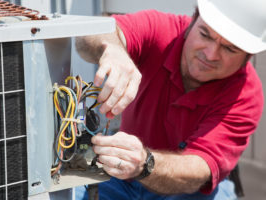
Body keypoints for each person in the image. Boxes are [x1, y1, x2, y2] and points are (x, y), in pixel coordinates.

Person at [75, 0, 266, 199]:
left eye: (230, 49)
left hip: (183, 190)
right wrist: (112, 49)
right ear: (193, 20)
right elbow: (93, 33)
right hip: (120, 179)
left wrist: (143, 164)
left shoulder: (245, 95)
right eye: (204, 34)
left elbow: (199, 170)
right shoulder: (161, 30)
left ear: (248, 56)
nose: (210, 54)